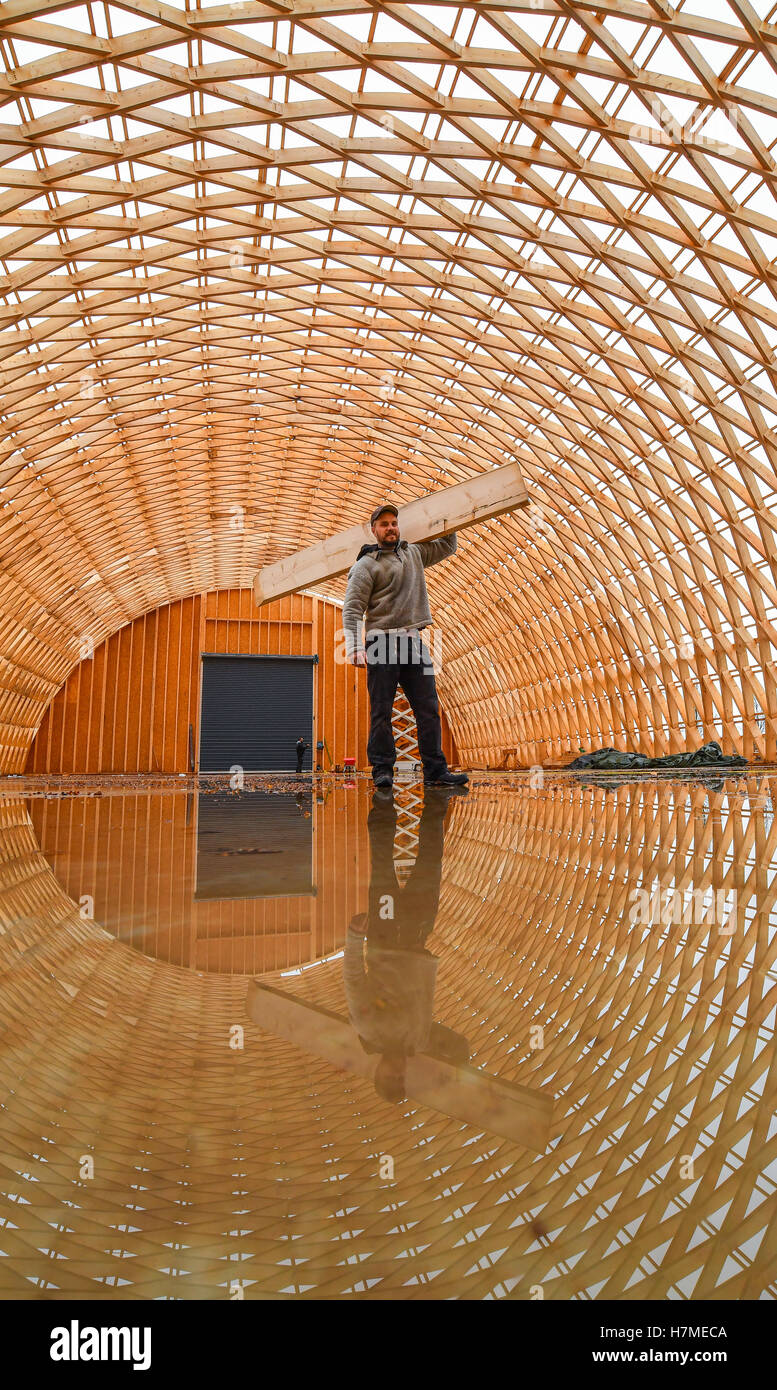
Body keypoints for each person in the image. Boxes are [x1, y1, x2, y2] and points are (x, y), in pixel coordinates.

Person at [344, 787, 470, 1104]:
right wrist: (454, 1076)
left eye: (390, 1075)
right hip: (416, 930)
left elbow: (354, 979)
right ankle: (436, 800)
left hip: (385, 931)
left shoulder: (368, 1029)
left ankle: (383, 798)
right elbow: (461, 1048)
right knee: (430, 861)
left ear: (378, 1071)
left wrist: (354, 936)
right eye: (402, 1077)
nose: (397, 1070)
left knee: (383, 862)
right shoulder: (419, 1040)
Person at [341, 503, 469, 789]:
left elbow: (447, 546)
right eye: (384, 524)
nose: (390, 528)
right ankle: (382, 770)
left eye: (394, 523)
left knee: (427, 708)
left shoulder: (415, 553)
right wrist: (354, 647)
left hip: (413, 640)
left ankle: (436, 771)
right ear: (373, 530)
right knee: (381, 710)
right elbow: (352, 609)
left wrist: (452, 514)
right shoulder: (366, 565)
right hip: (381, 642)